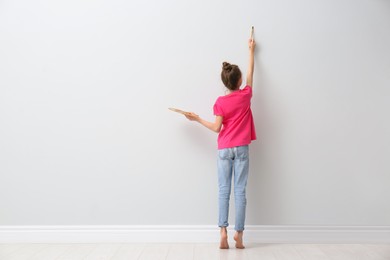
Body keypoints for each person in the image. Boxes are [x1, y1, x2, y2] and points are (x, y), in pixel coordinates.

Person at [185, 38, 256, 249]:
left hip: (225, 148)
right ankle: (240, 236)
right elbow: (252, 73)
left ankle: (223, 232)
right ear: (239, 80)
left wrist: (196, 118)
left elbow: (217, 128)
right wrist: (251, 50)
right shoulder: (246, 95)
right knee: (240, 191)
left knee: (224, 191)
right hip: (242, 148)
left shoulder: (220, 102)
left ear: (225, 83)